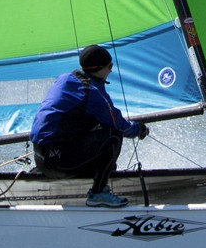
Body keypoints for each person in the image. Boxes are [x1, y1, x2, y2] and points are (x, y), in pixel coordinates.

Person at [31, 44, 149, 208]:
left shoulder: (65, 78)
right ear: (99, 69)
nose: (111, 71)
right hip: (59, 164)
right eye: (110, 67)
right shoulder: (91, 92)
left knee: (98, 140)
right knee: (113, 135)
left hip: (41, 160)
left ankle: (98, 181)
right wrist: (140, 130)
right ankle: (98, 193)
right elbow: (119, 124)